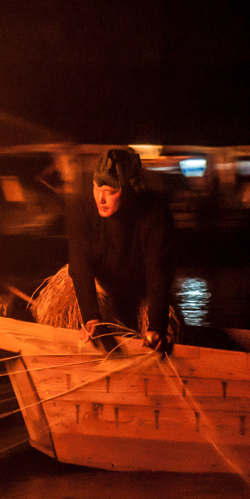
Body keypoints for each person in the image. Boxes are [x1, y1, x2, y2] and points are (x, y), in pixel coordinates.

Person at [63, 148, 177, 353]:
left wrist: (156, 326)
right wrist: (91, 316)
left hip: (139, 286)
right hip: (100, 288)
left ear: (130, 189)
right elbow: (80, 262)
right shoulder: (80, 207)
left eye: (111, 191)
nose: (101, 198)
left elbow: (157, 269)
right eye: (97, 188)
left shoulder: (155, 213)